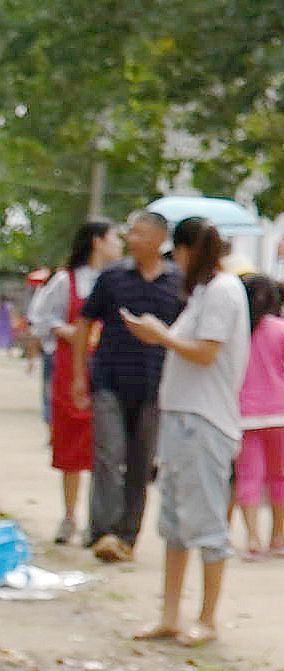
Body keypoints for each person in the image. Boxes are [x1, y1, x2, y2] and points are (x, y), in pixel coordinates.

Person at [129, 222, 245, 644]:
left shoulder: (222, 291)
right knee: (175, 523)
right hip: (180, 414)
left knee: (208, 522)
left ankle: (208, 619)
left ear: (185, 250)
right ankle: (170, 613)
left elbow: (205, 352)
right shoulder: (202, 293)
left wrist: (160, 335)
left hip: (204, 419)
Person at [78, 225, 188, 563]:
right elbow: (85, 322)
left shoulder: (178, 283)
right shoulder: (112, 277)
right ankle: (103, 532)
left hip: (156, 386)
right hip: (109, 380)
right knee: (108, 457)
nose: (131, 239)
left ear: (158, 239)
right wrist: (79, 377)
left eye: (139, 233)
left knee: (141, 464)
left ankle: (127, 536)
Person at [30, 222, 101, 548]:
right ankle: (70, 515)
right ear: (97, 242)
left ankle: (97, 519)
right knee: (71, 444)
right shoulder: (66, 280)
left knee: (103, 447)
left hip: (104, 369)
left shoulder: (113, 279)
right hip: (69, 371)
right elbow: (41, 316)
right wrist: (66, 331)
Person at [233, 276, 284, 560]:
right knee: (279, 475)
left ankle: (252, 538)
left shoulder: (237, 331)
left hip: (244, 413)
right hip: (279, 411)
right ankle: (279, 536)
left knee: (248, 476)